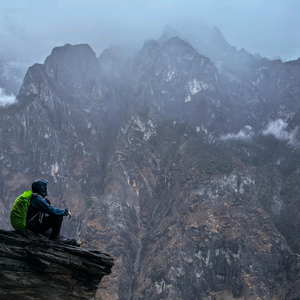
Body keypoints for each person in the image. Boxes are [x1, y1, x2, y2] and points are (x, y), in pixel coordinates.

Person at [26, 179, 79, 246]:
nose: (46, 189)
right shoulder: (38, 200)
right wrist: (65, 211)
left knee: (51, 232)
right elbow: (51, 211)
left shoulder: (34, 197)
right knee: (58, 217)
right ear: (41, 188)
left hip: (31, 224)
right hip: (34, 226)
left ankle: (69, 242)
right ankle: (55, 239)